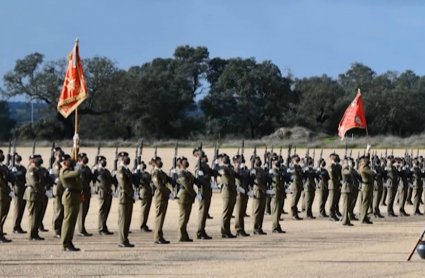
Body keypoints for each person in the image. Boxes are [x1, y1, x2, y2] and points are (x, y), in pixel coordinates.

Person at [60, 153, 82, 252]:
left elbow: (74, 157)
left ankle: (69, 241)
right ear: (64, 162)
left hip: (75, 197)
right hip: (69, 197)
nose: (70, 162)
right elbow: (77, 173)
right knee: (68, 221)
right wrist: (78, 167)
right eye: (68, 161)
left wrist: (75, 145)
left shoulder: (69, 170)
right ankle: (65, 243)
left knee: (72, 222)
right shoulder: (64, 172)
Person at [176, 156, 199, 242]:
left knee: (186, 218)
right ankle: (181, 236)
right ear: (181, 163)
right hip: (183, 196)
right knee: (183, 217)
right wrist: (195, 194)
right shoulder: (181, 173)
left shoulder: (188, 173)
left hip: (188, 197)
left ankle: (185, 235)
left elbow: (195, 180)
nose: (186, 162)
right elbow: (187, 186)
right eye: (185, 161)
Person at [151, 156, 172, 244]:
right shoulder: (155, 173)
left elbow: (168, 179)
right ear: (154, 163)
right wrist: (168, 192)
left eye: (160, 160)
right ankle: (157, 237)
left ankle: (160, 235)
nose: (160, 162)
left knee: (162, 217)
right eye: (158, 161)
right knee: (159, 216)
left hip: (164, 196)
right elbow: (159, 186)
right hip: (160, 196)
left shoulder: (161, 172)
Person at [116, 152, 135, 248]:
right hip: (124, 197)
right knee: (123, 220)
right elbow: (123, 185)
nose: (128, 159)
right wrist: (132, 194)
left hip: (128, 198)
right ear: (121, 159)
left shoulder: (127, 170)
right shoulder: (120, 171)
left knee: (127, 220)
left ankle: (125, 239)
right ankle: (121, 240)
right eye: (126, 157)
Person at [24, 155, 45, 240]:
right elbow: (34, 183)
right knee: (33, 215)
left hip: (37, 194)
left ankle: (35, 233)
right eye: (37, 159)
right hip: (32, 194)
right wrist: (44, 192)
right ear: (32, 161)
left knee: (37, 216)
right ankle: (31, 234)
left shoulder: (37, 170)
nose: (39, 160)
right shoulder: (31, 170)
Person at [193, 149, 213, 240]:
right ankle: (200, 232)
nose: (205, 158)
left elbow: (211, 172)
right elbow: (199, 178)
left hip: (207, 191)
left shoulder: (205, 165)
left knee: (205, 213)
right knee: (202, 212)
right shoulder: (198, 165)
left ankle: (202, 230)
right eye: (203, 157)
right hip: (202, 191)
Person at [94, 156, 114, 235]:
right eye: (102, 161)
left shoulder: (106, 171)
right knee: (102, 210)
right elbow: (103, 183)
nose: (104, 162)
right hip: (103, 192)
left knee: (106, 210)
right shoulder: (98, 171)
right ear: (99, 162)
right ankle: (101, 228)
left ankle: (104, 226)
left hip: (108, 192)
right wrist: (109, 190)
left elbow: (110, 180)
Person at [219, 154, 238, 238]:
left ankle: (228, 231)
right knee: (226, 213)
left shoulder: (230, 168)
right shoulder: (222, 169)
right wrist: (235, 187)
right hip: (227, 192)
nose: (226, 158)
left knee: (230, 213)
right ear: (221, 160)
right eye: (224, 158)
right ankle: (224, 231)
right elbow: (227, 181)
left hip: (232, 192)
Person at [76, 153, 94, 237]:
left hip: (87, 191)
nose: (85, 158)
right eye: (83, 157)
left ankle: (82, 228)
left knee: (85, 210)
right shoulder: (78, 168)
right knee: (81, 211)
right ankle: (80, 229)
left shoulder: (86, 168)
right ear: (80, 159)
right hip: (82, 192)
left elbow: (90, 178)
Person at [233, 154, 250, 237]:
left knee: (242, 213)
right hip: (239, 194)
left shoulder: (243, 169)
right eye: (238, 161)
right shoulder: (235, 170)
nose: (239, 163)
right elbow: (238, 182)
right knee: (239, 213)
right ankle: (238, 229)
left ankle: (242, 229)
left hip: (245, 192)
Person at [251, 155, 268, 234]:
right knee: (257, 212)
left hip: (263, 193)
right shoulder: (254, 171)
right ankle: (255, 228)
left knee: (261, 212)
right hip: (258, 192)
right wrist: (264, 189)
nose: (258, 161)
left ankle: (259, 227)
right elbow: (257, 181)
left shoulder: (262, 170)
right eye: (257, 160)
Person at [11, 153, 27, 234]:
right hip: (17, 190)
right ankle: (15, 226)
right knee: (17, 209)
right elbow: (14, 179)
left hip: (23, 190)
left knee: (21, 208)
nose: (18, 157)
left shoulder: (22, 167)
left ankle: (18, 225)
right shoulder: (12, 168)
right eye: (16, 156)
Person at [269, 154, 286, 233]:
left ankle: (277, 225)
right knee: (275, 211)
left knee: (279, 211)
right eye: (275, 160)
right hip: (276, 192)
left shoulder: (279, 170)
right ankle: (274, 227)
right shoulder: (272, 171)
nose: (277, 161)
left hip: (281, 192)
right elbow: (277, 182)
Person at [0, 150, 13, 243]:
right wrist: (9, 191)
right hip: (1, 195)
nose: (1, 156)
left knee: (3, 215)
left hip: (5, 195)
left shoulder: (3, 167)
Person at [137, 161, 153, 233]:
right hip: (144, 192)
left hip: (148, 192)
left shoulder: (145, 173)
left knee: (146, 209)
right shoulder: (138, 174)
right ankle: (142, 225)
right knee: (144, 209)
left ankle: (144, 224)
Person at [51, 147, 64, 239]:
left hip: (63, 190)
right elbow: (59, 174)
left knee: (62, 211)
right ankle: (57, 230)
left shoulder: (61, 163)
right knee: (58, 210)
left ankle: (61, 229)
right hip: (58, 190)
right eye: (58, 153)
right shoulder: (56, 164)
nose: (60, 154)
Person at [359, 147, 374, 225]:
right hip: (366, 186)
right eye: (365, 160)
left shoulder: (365, 166)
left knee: (367, 203)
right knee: (365, 203)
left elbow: (368, 159)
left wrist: (368, 151)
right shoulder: (363, 168)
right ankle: (363, 217)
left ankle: (364, 216)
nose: (367, 160)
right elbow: (371, 173)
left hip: (368, 185)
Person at [288, 154, 303, 221]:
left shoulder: (298, 166)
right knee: (294, 201)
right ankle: (293, 214)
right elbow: (295, 176)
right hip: (295, 185)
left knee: (296, 200)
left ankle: (296, 214)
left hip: (299, 185)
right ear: (293, 159)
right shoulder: (292, 167)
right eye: (296, 157)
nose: (297, 158)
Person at [328, 153, 342, 221]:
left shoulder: (338, 166)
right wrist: (338, 181)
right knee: (332, 201)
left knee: (336, 200)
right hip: (333, 185)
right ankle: (331, 215)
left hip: (337, 185)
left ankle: (334, 213)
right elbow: (332, 177)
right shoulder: (331, 166)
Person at [340, 158, 354, 226]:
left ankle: (347, 220)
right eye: (346, 163)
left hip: (348, 188)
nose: (348, 164)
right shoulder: (344, 169)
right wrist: (350, 166)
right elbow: (349, 173)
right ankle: (344, 221)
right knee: (345, 206)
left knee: (348, 205)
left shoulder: (347, 169)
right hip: (346, 189)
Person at [38, 156, 50, 233]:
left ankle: (40, 224)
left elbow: (48, 179)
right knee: (36, 211)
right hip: (38, 193)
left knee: (42, 210)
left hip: (44, 192)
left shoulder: (43, 169)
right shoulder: (32, 170)